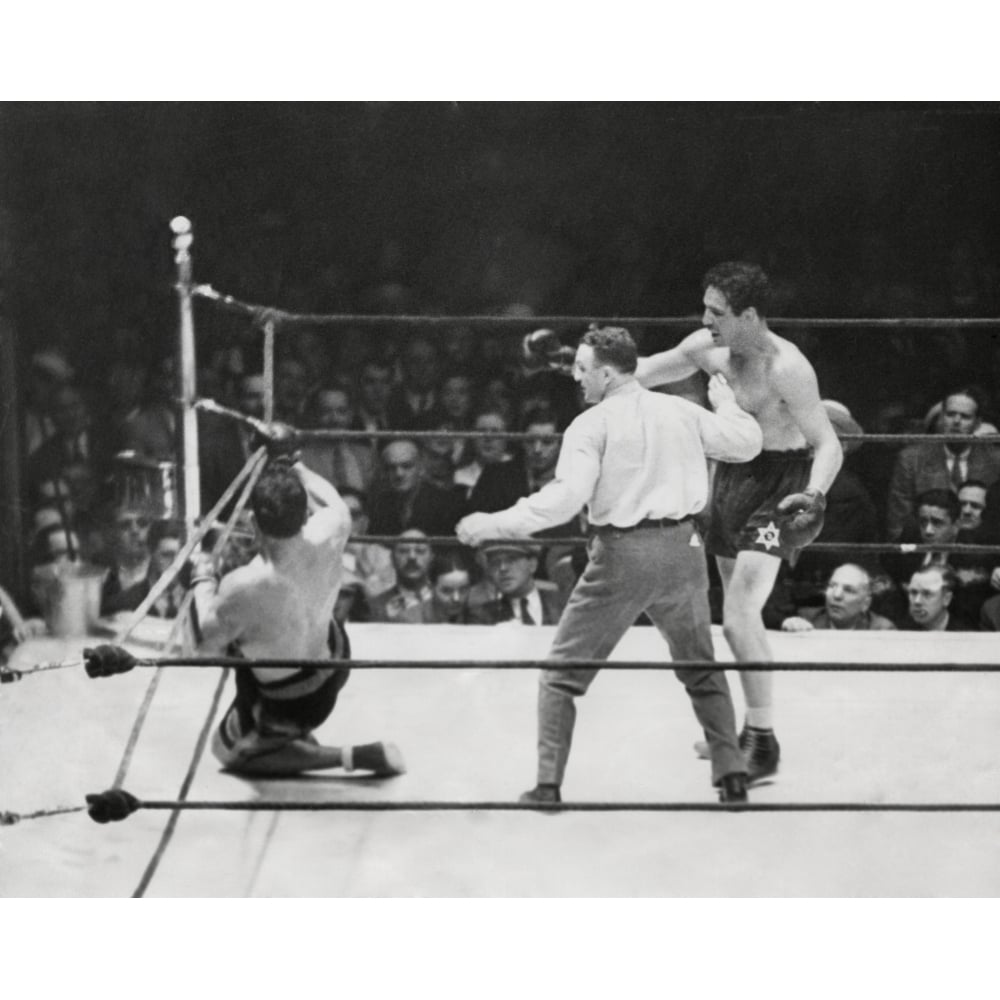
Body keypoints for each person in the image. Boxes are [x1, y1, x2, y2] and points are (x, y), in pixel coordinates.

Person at [457, 325, 762, 804]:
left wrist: (494, 523)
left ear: (604, 372)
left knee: (561, 674)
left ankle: (547, 785)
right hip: (685, 551)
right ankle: (732, 777)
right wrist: (725, 405)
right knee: (700, 665)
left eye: (581, 369)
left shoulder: (590, 425)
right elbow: (746, 444)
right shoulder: (680, 410)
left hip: (623, 555)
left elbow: (563, 502)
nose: (575, 378)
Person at [629, 262, 844, 783]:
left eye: (717, 312)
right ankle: (746, 732)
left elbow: (828, 442)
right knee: (732, 607)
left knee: (741, 612)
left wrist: (814, 495)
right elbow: (642, 372)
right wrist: (575, 363)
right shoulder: (708, 348)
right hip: (729, 479)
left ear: (749, 315)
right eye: (705, 307)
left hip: (781, 486)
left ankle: (764, 743)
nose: (706, 319)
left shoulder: (787, 368)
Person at [183, 435, 405, 777]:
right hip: (337, 658)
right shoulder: (333, 526)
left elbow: (203, 647)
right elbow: (328, 498)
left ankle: (347, 756)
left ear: (254, 524)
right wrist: (293, 461)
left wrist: (201, 578)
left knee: (225, 750)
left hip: (294, 700)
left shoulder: (245, 585)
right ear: (304, 513)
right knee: (256, 638)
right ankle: (284, 735)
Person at [885, 387, 1000, 541]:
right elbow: (898, 523)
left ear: (977, 423)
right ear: (941, 418)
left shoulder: (995, 461)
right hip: (925, 551)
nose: (956, 421)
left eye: (965, 417)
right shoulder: (911, 460)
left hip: (980, 552)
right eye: (950, 414)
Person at [469, 542, 565, 625]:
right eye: (495, 562)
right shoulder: (482, 616)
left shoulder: (564, 604)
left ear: (532, 565)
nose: (503, 568)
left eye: (511, 560)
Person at [780, 563, 896, 632]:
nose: (836, 595)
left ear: (865, 603)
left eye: (848, 590)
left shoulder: (882, 629)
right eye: (832, 586)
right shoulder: (805, 620)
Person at [368, 529, 435, 624]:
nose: (412, 557)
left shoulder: (445, 599)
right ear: (392, 558)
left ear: (431, 558)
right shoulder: (376, 606)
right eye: (403, 551)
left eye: (420, 551)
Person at [900, 564, 976, 631]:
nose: (917, 601)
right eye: (913, 592)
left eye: (927, 594)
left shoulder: (964, 635)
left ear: (946, 599)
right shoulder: (899, 631)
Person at [427, 548, 477, 624]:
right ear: (431, 587)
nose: (456, 598)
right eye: (447, 591)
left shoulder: (480, 618)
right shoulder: (411, 620)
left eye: (463, 590)